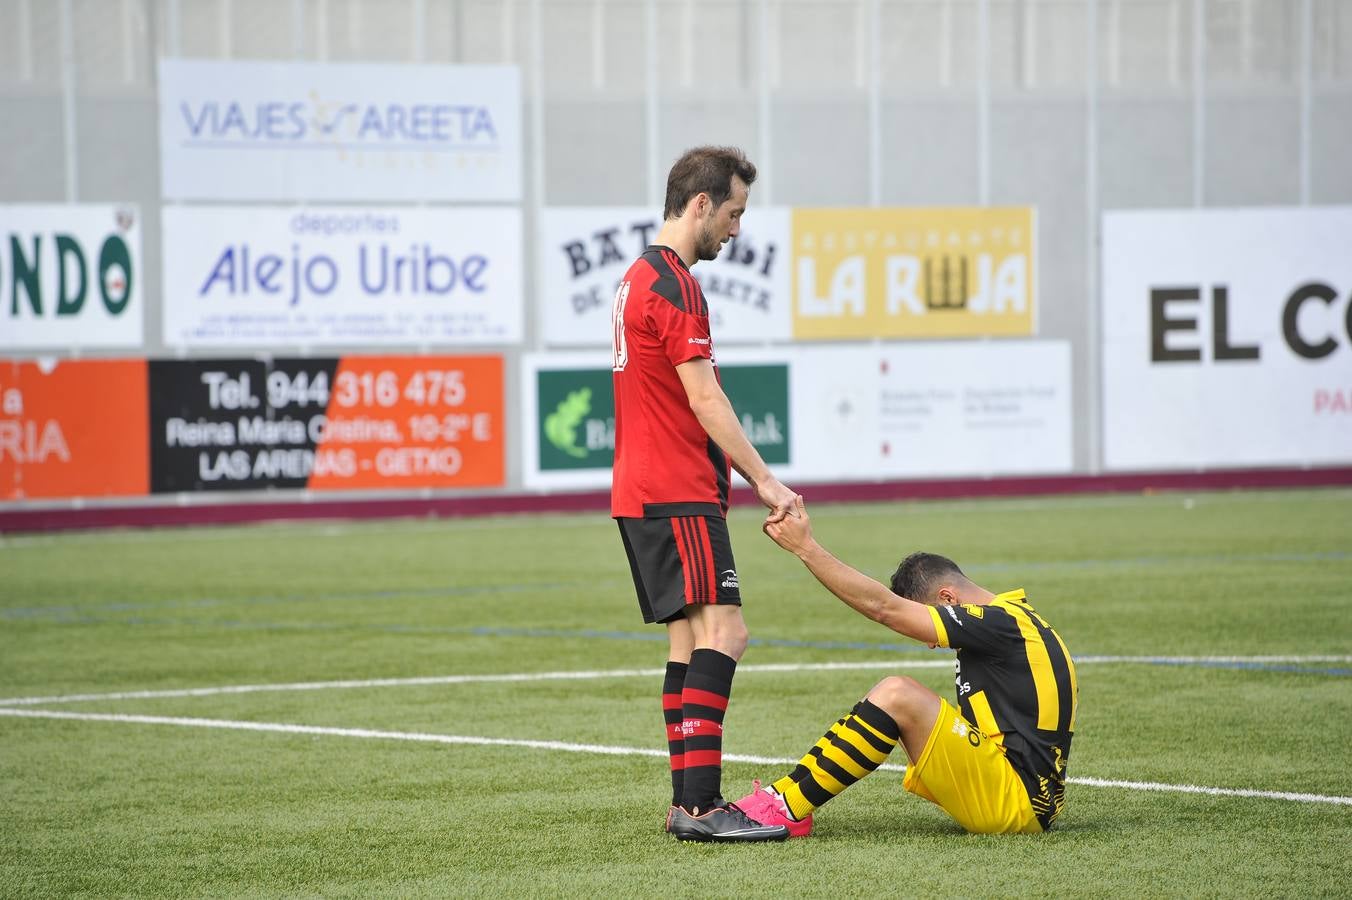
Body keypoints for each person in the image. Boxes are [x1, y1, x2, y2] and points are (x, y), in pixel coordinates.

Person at [611, 145, 797, 843]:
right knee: (728, 633)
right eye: (733, 212)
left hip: (639, 490)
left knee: (688, 643)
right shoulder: (677, 284)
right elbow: (705, 398)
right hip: (678, 490)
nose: (736, 229)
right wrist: (766, 479)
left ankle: (684, 805)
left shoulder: (635, 277)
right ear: (700, 205)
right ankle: (700, 807)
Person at [735, 495, 1077, 837]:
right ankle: (779, 797)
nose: (930, 642)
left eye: (931, 617)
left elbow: (885, 609)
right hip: (1023, 794)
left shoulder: (1002, 623)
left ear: (947, 599)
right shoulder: (1015, 621)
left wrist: (805, 548)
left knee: (897, 694)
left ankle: (788, 809)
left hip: (1017, 802)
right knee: (880, 701)